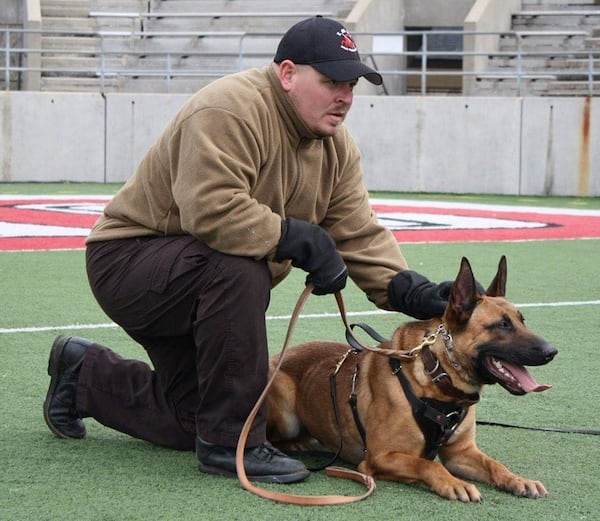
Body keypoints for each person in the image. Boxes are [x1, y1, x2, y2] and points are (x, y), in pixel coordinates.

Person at [43, 16, 452, 484]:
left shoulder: (336, 146)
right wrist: (300, 238)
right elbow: (211, 210)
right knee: (239, 267)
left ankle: (85, 375)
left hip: (196, 278)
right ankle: (232, 444)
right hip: (130, 263)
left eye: (352, 84)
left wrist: (412, 291)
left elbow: (358, 231)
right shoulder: (229, 108)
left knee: (193, 418)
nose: (345, 96)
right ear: (288, 73)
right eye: (332, 81)